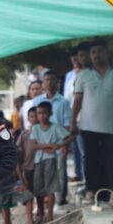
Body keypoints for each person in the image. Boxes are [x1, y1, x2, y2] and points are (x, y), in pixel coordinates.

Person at [70, 39, 113, 202]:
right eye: (93, 52)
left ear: (107, 53)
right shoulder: (83, 75)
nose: (96, 55)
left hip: (111, 126)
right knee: (90, 160)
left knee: (112, 160)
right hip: (88, 126)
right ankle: (91, 191)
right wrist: (73, 122)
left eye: (99, 51)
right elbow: (77, 101)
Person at [32, 71, 72, 205]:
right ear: (43, 83)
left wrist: (64, 145)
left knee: (60, 172)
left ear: (57, 82)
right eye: (46, 80)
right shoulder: (37, 101)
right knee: (42, 174)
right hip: (41, 145)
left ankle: (60, 200)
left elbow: (67, 125)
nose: (49, 82)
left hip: (58, 144)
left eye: (52, 80)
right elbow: (33, 123)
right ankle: (44, 201)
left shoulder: (64, 102)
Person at [32, 101, 73, 223]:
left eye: (44, 113)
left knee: (50, 189)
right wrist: (49, 145)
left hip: (50, 160)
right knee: (38, 190)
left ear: (50, 113)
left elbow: (70, 136)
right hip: (38, 161)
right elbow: (33, 146)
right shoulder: (35, 128)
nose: (42, 116)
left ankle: (49, 215)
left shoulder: (55, 127)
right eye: (39, 113)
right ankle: (41, 213)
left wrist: (59, 146)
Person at [64, 43, 90, 183]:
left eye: (78, 58)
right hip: (73, 115)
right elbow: (67, 97)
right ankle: (80, 174)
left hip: (85, 117)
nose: (76, 61)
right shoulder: (69, 75)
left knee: (85, 151)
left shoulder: (86, 74)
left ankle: (88, 180)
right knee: (77, 150)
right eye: (74, 59)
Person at [15, 111, 41, 224]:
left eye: (36, 115)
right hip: (28, 168)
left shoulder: (42, 132)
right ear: (28, 118)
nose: (35, 118)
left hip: (40, 166)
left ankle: (41, 214)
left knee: (40, 192)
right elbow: (18, 151)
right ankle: (30, 221)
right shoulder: (24, 134)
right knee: (28, 194)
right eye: (32, 116)